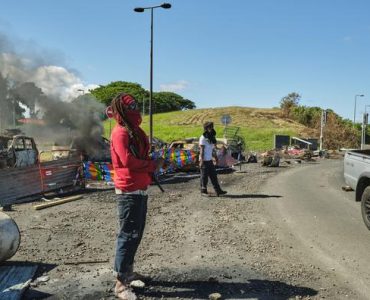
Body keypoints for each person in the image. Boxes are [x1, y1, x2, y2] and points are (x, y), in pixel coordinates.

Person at [108, 93, 163, 300]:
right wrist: (152, 165)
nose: (134, 109)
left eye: (134, 106)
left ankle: (128, 272)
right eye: (130, 106)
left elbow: (138, 156)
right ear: (121, 109)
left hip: (139, 189)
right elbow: (127, 161)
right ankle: (120, 284)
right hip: (129, 190)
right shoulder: (120, 132)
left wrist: (152, 162)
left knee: (136, 233)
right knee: (128, 235)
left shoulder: (134, 132)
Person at [199, 121, 227, 196]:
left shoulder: (211, 138)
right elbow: (202, 150)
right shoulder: (203, 138)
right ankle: (203, 191)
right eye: (210, 127)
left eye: (212, 127)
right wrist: (201, 161)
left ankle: (218, 190)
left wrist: (215, 157)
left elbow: (212, 149)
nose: (211, 128)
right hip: (204, 160)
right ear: (206, 128)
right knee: (204, 177)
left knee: (213, 176)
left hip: (210, 160)